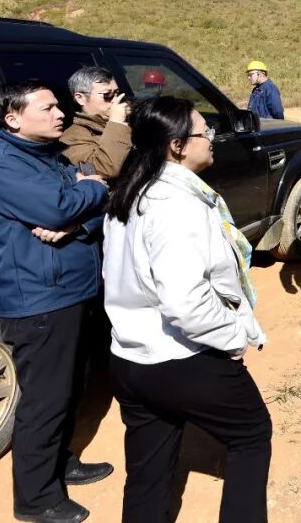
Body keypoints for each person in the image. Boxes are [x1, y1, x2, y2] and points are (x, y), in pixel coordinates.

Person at [103, 96, 271, 523]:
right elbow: (185, 302)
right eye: (203, 131)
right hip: (181, 357)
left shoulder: (130, 192)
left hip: (129, 357)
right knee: (251, 436)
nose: (211, 138)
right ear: (176, 146)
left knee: (148, 470)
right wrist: (234, 338)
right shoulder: (176, 205)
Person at [0, 81, 113, 523]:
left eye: (57, 106)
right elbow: (58, 209)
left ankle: (60, 463)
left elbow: (88, 211)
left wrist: (81, 215)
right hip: (40, 300)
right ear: (13, 119)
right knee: (45, 401)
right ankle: (35, 499)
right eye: (47, 108)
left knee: (72, 388)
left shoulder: (52, 157)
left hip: (76, 291)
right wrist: (91, 189)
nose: (60, 114)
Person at [61, 66, 131, 179]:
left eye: (116, 93)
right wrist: (116, 123)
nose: (115, 100)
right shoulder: (71, 138)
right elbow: (102, 169)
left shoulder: (126, 122)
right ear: (80, 98)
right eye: (107, 95)